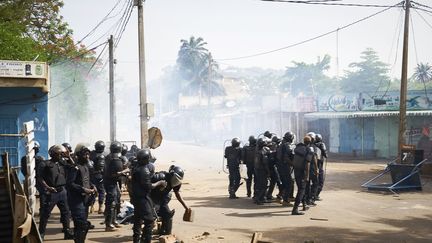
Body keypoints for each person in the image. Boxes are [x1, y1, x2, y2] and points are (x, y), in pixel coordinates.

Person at [37, 144, 74, 239]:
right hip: (52, 192)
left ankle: (67, 232)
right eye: (59, 154)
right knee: (45, 214)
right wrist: (48, 188)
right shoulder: (44, 164)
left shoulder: (61, 163)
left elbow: (73, 166)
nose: (61, 156)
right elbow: (40, 178)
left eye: (61, 154)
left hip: (62, 191)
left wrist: (68, 156)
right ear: (52, 154)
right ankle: (41, 233)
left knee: (66, 213)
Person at [131, 149, 166, 243]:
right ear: (146, 159)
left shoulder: (136, 167)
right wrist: (160, 182)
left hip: (136, 197)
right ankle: (146, 240)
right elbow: (149, 186)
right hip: (143, 198)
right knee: (149, 221)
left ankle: (136, 239)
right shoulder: (144, 170)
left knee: (138, 219)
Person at [66, 144, 96, 243]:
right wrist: (83, 189)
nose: (87, 156)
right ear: (79, 155)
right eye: (85, 155)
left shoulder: (85, 166)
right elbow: (70, 184)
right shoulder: (74, 168)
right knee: (81, 224)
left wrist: (92, 186)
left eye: (88, 154)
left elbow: (86, 180)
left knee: (83, 226)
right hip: (76, 201)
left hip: (85, 200)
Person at [151, 165, 190, 235]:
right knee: (150, 218)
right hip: (151, 198)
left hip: (162, 199)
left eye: (178, 181)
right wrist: (158, 184)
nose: (176, 182)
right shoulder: (160, 176)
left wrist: (186, 207)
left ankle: (165, 233)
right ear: (171, 175)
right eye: (175, 179)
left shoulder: (177, 183)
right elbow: (146, 185)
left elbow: (177, 194)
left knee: (168, 214)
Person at [103, 141, 125, 231]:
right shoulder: (112, 158)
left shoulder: (112, 157)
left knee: (116, 202)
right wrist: (122, 172)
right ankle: (108, 224)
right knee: (111, 203)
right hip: (110, 182)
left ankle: (114, 220)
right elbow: (112, 174)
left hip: (113, 182)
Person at [292, 136, 314, 215]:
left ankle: (304, 205)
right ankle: (295, 209)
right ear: (310, 142)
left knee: (301, 188)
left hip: (296, 170)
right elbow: (307, 163)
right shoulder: (309, 150)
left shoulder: (298, 147)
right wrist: (307, 175)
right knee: (301, 189)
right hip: (303, 172)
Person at [276, 132, 295, 206]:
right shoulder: (287, 145)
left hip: (280, 166)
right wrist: (293, 163)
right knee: (289, 183)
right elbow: (287, 157)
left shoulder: (282, 144)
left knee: (284, 183)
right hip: (285, 166)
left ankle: (279, 196)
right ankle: (286, 200)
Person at [90, 140, 106, 214]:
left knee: (92, 191)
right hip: (100, 176)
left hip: (91, 176)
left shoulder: (91, 154)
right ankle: (100, 207)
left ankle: (92, 206)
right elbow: (102, 167)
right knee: (101, 191)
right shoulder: (102, 156)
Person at [254, 138, 270, 205]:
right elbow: (265, 163)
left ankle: (260, 198)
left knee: (259, 185)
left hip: (257, 169)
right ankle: (258, 199)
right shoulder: (263, 152)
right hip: (262, 170)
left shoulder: (257, 151)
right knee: (264, 185)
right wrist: (268, 171)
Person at [315, 134, 327, 200]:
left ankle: (312, 195)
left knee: (314, 182)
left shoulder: (311, 145)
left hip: (312, 166)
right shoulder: (321, 144)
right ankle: (315, 195)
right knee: (320, 182)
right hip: (319, 165)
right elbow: (325, 154)